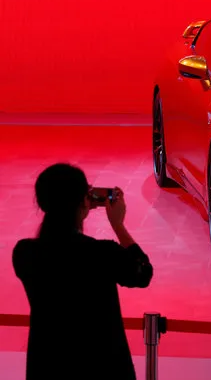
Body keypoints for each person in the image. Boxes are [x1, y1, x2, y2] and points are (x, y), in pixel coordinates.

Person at [12, 163, 153, 380]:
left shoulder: (24, 253)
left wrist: (81, 202)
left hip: (48, 366)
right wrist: (118, 225)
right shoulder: (101, 254)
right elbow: (143, 273)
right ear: (81, 203)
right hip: (102, 367)